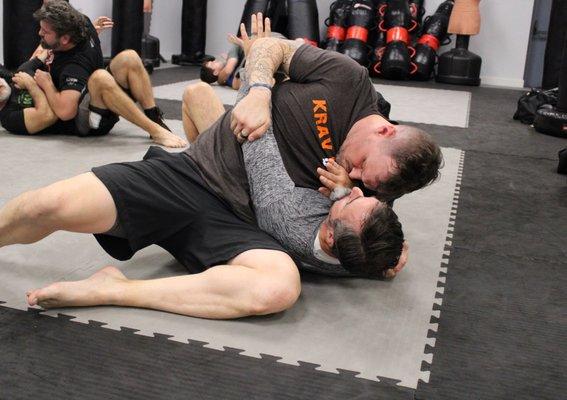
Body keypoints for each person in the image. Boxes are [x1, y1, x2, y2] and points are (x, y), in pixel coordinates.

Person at [2, 0, 185, 147]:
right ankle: (155, 131)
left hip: (94, 97)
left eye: (45, 32)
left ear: (66, 38)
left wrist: (44, 82)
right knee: (100, 77)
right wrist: (42, 80)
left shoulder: (85, 30)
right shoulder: (78, 32)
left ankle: (155, 119)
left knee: (129, 57)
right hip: (87, 123)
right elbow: (65, 113)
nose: (39, 33)